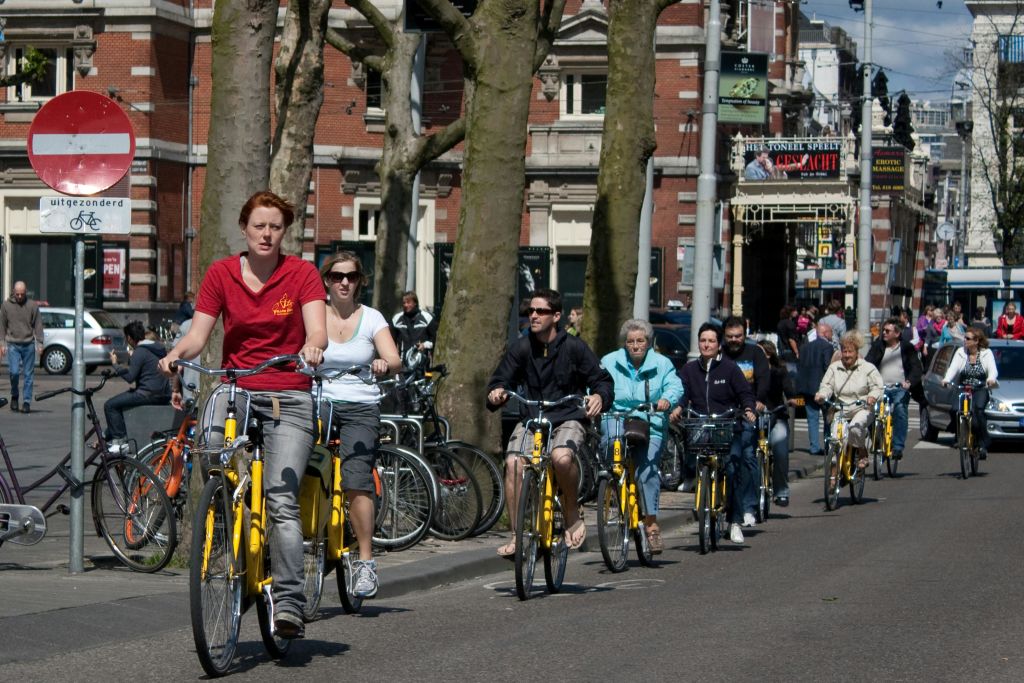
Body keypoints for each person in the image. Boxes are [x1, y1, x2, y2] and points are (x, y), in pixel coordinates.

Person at [159, 190, 326, 639]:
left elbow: (317, 330)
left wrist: (313, 346)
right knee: (210, 449)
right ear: (244, 228)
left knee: (282, 499)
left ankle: (289, 602)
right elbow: (199, 335)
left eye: (275, 226)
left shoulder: (302, 274)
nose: (267, 234)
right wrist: (176, 353)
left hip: (288, 394)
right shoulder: (221, 274)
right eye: (259, 226)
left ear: (284, 231)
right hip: (236, 388)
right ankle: (226, 511)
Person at [485, 288, 612, 558]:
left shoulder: (574, 347)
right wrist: (497, 392)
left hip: (568, 415)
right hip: (533, 417)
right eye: (530, 310)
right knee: (513, 463)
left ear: (556, 316)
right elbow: (501, 378)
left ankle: (570, 511)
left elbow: (601, 379)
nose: (533, 315)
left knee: (561, 458)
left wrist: (599, 396)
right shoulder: (521, 346)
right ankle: (518, 537)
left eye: (540, 311)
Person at [318, 251, 401, 598]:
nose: (344, 282)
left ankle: (365, 561)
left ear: (359, 282)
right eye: (337, 276)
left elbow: (394, 358)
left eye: (351, 276)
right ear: (327, 280)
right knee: (295, 466)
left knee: (356, 480)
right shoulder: (313, 315)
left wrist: (385, 364)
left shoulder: (371, 319)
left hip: (360, 405)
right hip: (318, 401)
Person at [600, 319, 683, 554]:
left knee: (646, 471)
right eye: (630, 342)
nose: (635, 345)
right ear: (624, 344)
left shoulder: (662, 363)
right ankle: (613, 485)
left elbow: (675, 386)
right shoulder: (609, 361)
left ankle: (651, 524)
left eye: (640, 341)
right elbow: (596, 384)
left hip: (651, 422)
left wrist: (667, 400)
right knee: (610, 449)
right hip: (616, 417)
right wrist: (594, 398)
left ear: (648, 342)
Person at [670, 323, 757, 545]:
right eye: (703, 340)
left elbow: (745, 393)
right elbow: (682, 393)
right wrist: (678, 408)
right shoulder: (689, 369)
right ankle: (699, 487)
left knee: (732, 466)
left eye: (711, 341)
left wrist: (748, 409)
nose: (706, 344)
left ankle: (735, 521)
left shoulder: (729, 369)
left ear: (719, 345)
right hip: (700, 425)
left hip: (727, 425)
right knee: (697, 458)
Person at [721, 316, 769, 527]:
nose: (734, 340)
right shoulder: (718, 352)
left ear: (745, 334)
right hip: (723, 412)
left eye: (738, 336)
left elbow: (764, 378)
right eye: (730, 336)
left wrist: (758, 401)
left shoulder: (755, 352)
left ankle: (749, 506)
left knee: (748, 455)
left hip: (746, 412)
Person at [814, 331, 883, 472]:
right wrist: (822, 395)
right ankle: (833, 476)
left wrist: (872, 397)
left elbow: (877, 386)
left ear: (857, 352)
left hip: (862, 408)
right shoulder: (834, 368)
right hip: (841, 409)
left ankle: (862, 452)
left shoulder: (867, 368)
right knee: (835, 438)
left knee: (855, 428)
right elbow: (827, 385)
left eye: (850, 352)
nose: (846, 355)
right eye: (844, 351)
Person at [104, 320, 172, 452]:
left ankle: (120, 441)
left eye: (126, 338)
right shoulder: (158, 348)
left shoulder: (140, 351)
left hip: (148, 394)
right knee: (123, 402)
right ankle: (106, 436)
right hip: (163, 394)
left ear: (129, 338)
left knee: (110, 405)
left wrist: (115, 364)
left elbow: (130, 377)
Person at [865, 317, 923, 462]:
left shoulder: (907, 347)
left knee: (900, 408)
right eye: (883, 330)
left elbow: (916, 367)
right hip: (880, 388)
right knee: (872, 412)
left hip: (899, 388)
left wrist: (909, 382)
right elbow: (868, 364)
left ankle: (897, 447)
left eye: (887, 331)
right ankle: (877, 440)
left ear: (897, 334)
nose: (884, 333)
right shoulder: (878, 346)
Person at [942, 327, 998, 459]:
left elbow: (993, 369)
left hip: (980, 387)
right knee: (955, 409)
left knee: (978, 411)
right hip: (963, 386)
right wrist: (946, 379)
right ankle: (959, 435)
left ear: (976, 341)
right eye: (964, 338)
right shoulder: (961, 352)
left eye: (967, 338)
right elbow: (953, 368)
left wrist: (990, 379)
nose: (965, 341)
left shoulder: (986, 353)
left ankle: (982, 443)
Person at [757, 340, 797, 506]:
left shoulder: (779, 371)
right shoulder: (750, 372)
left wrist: (793, 399)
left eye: (761, 353)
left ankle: (781, 492)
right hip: (754, 417)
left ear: (769, 354)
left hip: (776, 414)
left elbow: (789, 389)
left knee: (780, 450)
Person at [0, 281, 43, 414]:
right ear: (13, 291)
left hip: (28, 344)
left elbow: (38, 324)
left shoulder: (32, 305)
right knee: (14, 372)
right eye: (17, 294)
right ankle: (15, 395)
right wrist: (1, 343)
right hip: (13, 344)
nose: (19, 297)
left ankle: (26, 402)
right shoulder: (6, 305)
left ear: (26, 292)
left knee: (29, 375)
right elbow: (2, 325)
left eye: (22, 294)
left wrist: (40, 343)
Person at [797, 322, 835, 455]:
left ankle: (814, 446)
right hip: (821, 387)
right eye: (831, 332)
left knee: (812, 418)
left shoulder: (805, 347)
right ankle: (827, 444)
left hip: (806, 387)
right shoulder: (827, 346)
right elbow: (827, 367)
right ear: (825, 333)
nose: (832, 335)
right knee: (828, 417)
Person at [391, 291, 438, 369]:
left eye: (408, 302)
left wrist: (425, 345)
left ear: (415, 303)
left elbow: (435, 340)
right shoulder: (396, 319)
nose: (406, 305)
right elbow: (391, 342)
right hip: (403, 365)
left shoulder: (427, 318)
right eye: (404, 303)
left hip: (422, 363)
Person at [743, 145, 809, 180]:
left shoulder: (775, 168)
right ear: (757, 156)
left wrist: (801, 163)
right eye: (763, 157)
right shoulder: (751, 168)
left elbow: (789, 167)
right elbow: (754, 186)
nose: (765, 160)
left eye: (767, 158)